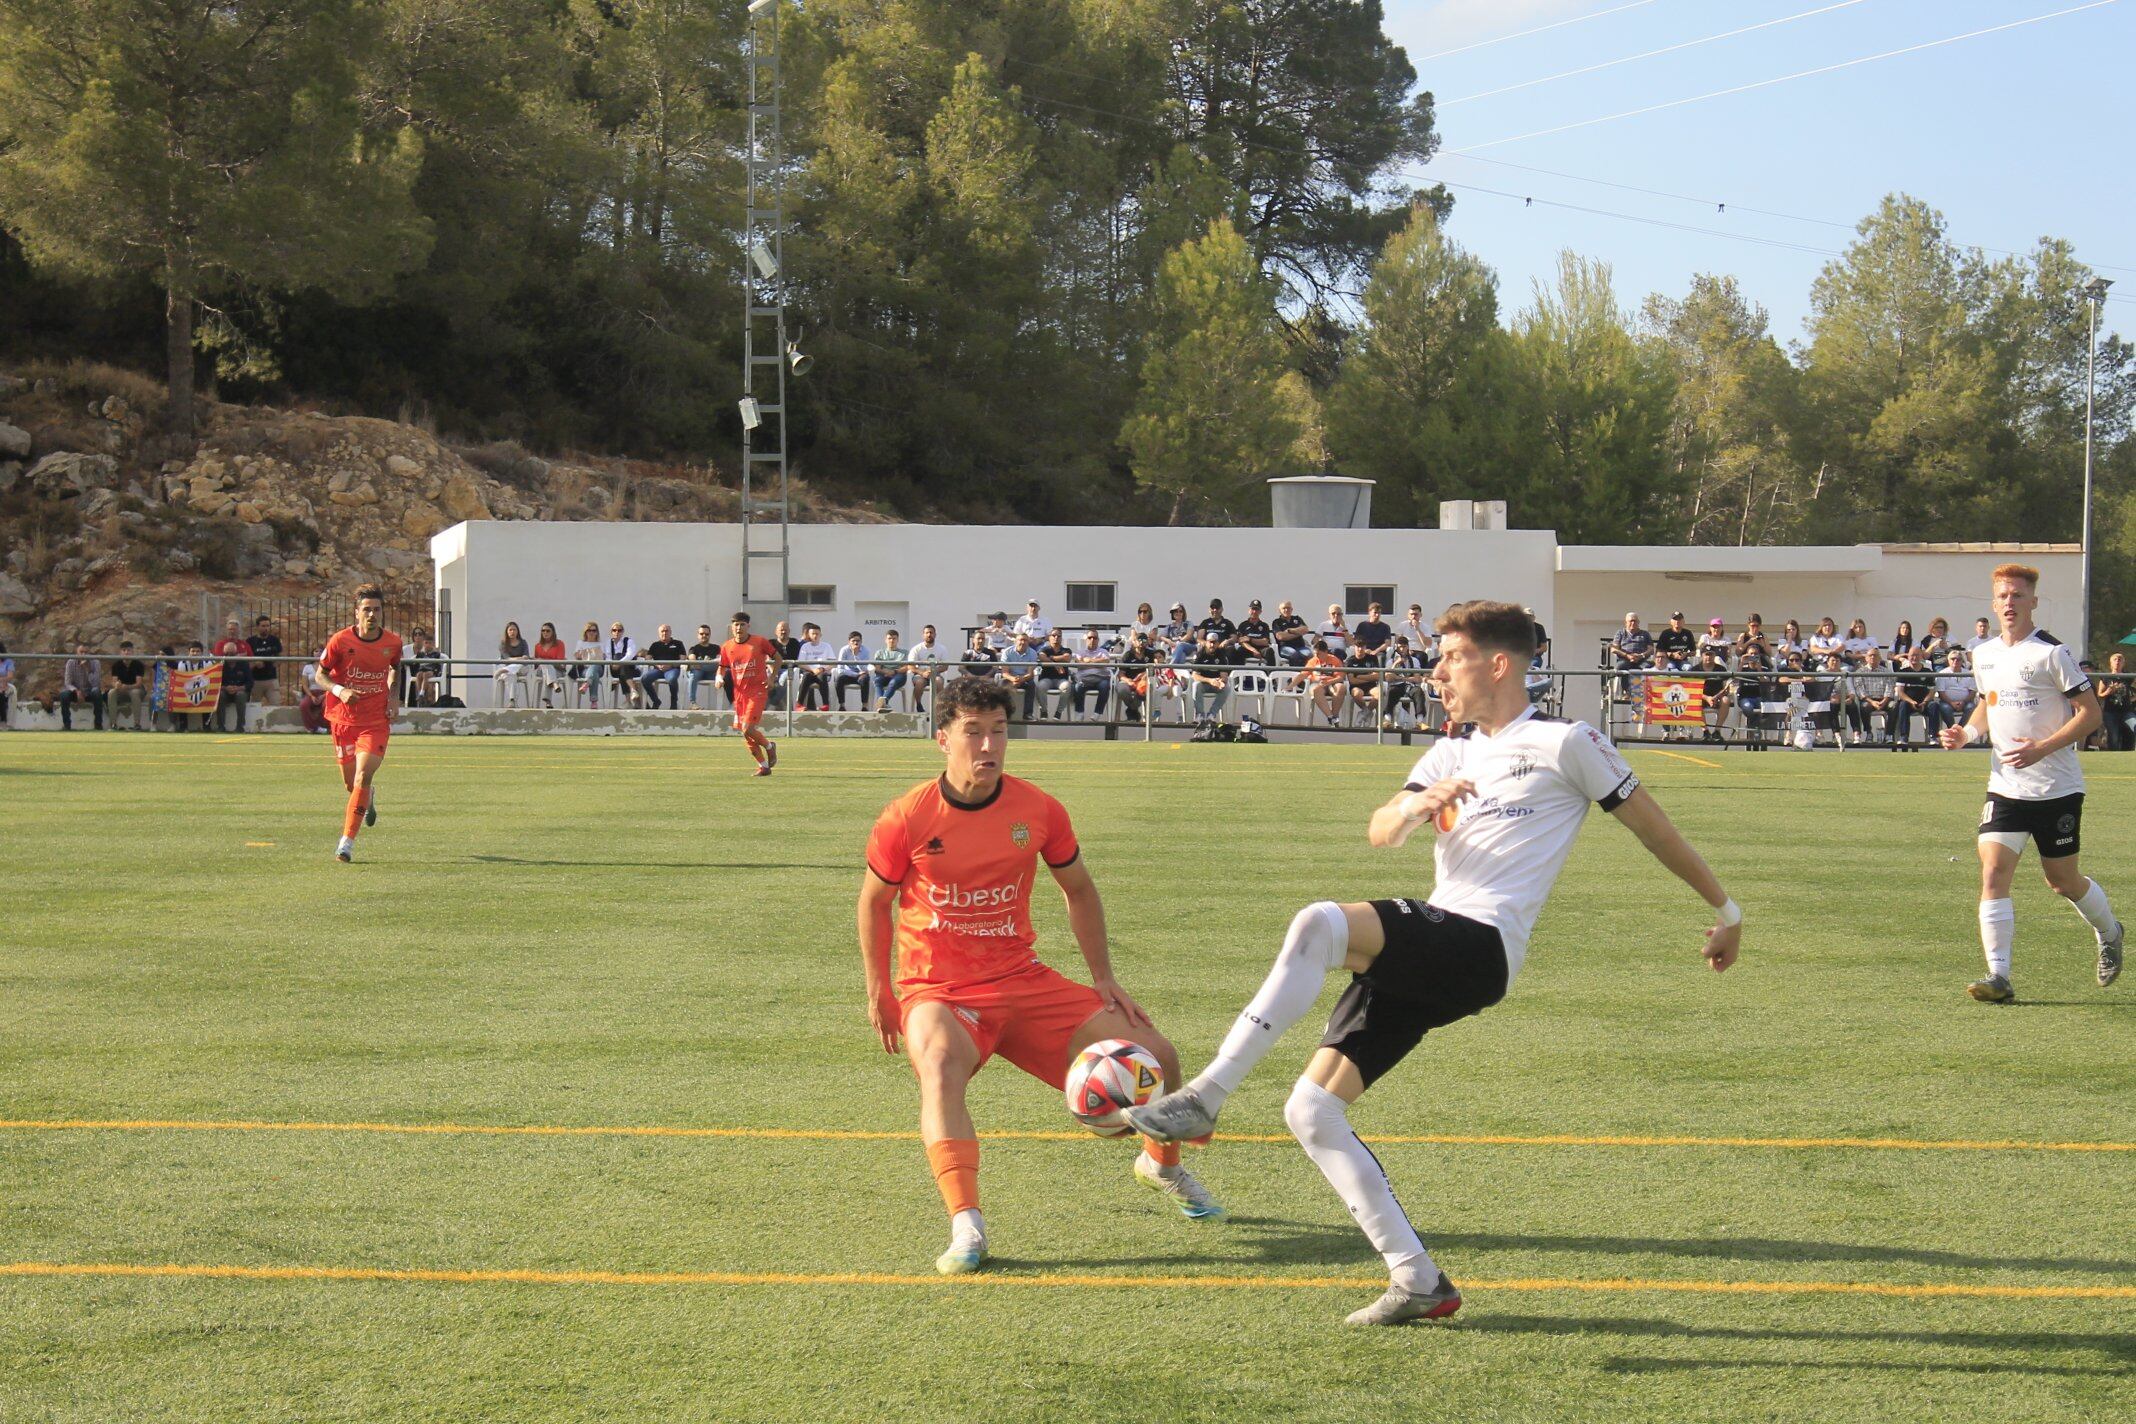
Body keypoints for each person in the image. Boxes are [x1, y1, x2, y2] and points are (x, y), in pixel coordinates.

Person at [1126, 599, 1740, 1324]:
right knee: (1312, 1111)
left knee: (1320, 922)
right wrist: (1419, 807)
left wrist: (1726, 911)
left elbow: (1654, 829)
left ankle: (1208, 1095)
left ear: (1499, 663)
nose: (1438, 670)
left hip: (1480, 947)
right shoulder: (1450, 750)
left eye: (1452, 657)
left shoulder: (1566, 742)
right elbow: (1381, 830)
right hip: (1435, 948)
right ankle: (1418, 1281)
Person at [857, 678, 1223, 1277]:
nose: (987, 745)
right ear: (942, 738)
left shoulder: (1038, 809)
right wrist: (879, 988)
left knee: (1158, 1055)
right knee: (941, 1067)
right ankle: (966, 1222)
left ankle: (1161, 1163)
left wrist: (1103, 978)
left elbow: (1077, 890)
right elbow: (874, 903)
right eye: (972, 732)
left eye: (998, 731)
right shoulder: (907, 817)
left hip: (1022, 979)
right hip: (940, 990)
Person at [1939, 563, 2122, 999]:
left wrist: (2041, 749)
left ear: (2033, 602)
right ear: (1994, 602)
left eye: (2017, 596)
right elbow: (1988, 704)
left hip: (2056, 788)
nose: (2009, 603)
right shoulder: (1983, 654)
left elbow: (2091, 715)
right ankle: (1999, 976)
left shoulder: (2052, 654)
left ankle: (2111, 932)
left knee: (2062, 882)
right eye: (2003, 596)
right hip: (2005, 787)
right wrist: (1968, 733)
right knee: (1993, 873)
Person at [315, 584, 403, 863]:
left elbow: (394, 669)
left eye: (377, 610)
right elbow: (321, 675)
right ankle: (369, 797)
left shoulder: (393, 643)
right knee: (351, 785)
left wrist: (393, 697)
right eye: (367, 609)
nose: (372, 615)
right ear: (357, 613)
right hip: (342, 720)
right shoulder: (340, 641)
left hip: (375, 720)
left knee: (363, 775)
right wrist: (341, 691)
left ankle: (346, 843)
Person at [717, 611, 782, 776]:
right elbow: (723, 666)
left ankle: (769, 747)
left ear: (748, 626)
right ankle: (763, 766)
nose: (739, 628)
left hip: (757, 691)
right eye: (736, 625)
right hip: (739, 695)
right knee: (745, 733)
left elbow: (778, 658)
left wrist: (772, 678)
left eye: (742, 625)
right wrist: (719, 677)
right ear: (732, 627)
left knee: (747, 728)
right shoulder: (726, 646)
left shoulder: (759, 642)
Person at [213, 619, 254, 731]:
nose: (230, 656)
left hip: (239, 690)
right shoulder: (220, 649)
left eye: (233, 654)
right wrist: (226, 688)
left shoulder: (243, 664)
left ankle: (240, 727)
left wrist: (238, 688)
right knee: (220, 695)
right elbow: (214, 681)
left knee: (240, 695)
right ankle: (220, 726)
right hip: (225, 690)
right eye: (227, 654)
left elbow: (250, 682)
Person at [639, 624, 686, 709]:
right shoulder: (655, 645)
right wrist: (657, 664)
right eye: (662, 631)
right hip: (658, 670)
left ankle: (674, 702)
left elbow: (682, 659)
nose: (664, 633)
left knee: (672, 679)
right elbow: (648, 658)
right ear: (659, 633)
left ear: (670, 632)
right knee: (644, 679)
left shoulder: (678, 643)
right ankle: (656, 701)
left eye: (666, 631)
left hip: (672, 669)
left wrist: (670, 665)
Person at [1070, 629, 1113, 718]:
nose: (1092, 640)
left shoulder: (1103, 651)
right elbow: (1079, 664)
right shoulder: (1080, 651)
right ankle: (1080, 712)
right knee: (1077, 687)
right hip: (1084, 679)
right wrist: (1097, 664)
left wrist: (1089, 661)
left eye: (1095, 638)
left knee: (1105, 686)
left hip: (1101, 678)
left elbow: (1106, 661)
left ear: (1098, 640)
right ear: (1086, 639)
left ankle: (1097, 713)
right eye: (1090, 637)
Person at [1302, 637, 1346, 724]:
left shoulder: (1334, 660)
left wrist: (1329, 682)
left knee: (1341, 688)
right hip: (1317, 683)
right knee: (1316, 690)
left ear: (1326, 652)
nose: (1316, 656)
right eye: (1315, 654)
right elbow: (1304, 674)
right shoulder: (1313, 660)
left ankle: (1335, 715)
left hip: (1332, 682)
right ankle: (1330, 717)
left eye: (1318, 654)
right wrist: (1291, 685)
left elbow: (1340, 677)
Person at [61, 644, 105, 731]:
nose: (83, 655)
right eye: (81, 652)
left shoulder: (95, 663)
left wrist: (87, 668)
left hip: (89, 692)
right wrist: (77, 691)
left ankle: (98, 725)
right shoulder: (71, 662)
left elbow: (96, 684)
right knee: (64, 695)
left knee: (96, 692)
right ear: (77, 653)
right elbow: (68, 683)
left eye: (86, 652)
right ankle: (67, 725)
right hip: (76, 692)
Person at [1000, 631, 1041, 719]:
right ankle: (1003, 712)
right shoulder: (1007, 652)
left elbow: (1030, 674)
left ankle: (1028, 714)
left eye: (1025, 640)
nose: (1023, 642)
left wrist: (1021, 679)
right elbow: (1004, 672)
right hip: (1010, 678)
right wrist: (1013, 679)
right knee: (1001, 685)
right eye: (1020, 640)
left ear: (1028, 642)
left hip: (1025, 678)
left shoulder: (1033, 653)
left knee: (1031, 685)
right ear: (1015, 641)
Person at [107, 642, 148, 729]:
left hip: (136, 689)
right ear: (120, 652)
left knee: (135, 693)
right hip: (122, 690)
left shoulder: (138, 664)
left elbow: (139, 683)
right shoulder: (116, 665)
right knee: (111, 692)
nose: (126, 652)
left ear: (132, 652)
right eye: (124, 650)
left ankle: (137, 724)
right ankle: (113, 724)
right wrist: (116, 685)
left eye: (128, 650)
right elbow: (113, 682)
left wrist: (127, 687)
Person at [1035, 628, 1074, 718]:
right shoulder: (1044, 649)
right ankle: (1044, 711)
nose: (1056, 637)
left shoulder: (1066, 650)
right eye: (1053, 635)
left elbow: (1067, 658)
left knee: (1067, 687)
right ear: (1049, 637)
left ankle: (1058, 712)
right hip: (1046, 679)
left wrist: (1051, 657)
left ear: (1061, 638)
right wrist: (1055, 664)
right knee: (1040, 686)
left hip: (1061, 680)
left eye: (1058, 636)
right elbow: (1042, 657)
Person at [2100, 651, 2135, 751]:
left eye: (2120, 660)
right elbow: (2100, 694)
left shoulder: (2129, 677)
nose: (2117, 662)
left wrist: (2131, 699)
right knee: (2113, 736)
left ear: (2123, 663)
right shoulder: (2106, 677)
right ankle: (2113, 757)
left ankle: (2128, 754)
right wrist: (2108, 692)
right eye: (2115, 660)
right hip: (2110, 711)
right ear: (2111, 663)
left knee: (2133, 728)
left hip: (2126, 711)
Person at [683, 623, 723, 710]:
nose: (704, 635)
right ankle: (692, 703)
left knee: (725, 673)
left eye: (707, 634)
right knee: (694, 674)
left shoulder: (716, 648)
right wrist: (709, 663)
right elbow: (693, 661)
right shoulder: (693, 648)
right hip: (699, 673)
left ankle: (734, 703)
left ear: (710, 635)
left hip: (711, 673)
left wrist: (701, 664)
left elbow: (721, 661)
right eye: (701, 634)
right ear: (698, 635)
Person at [907, 625, 944, 714]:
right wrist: (922, 673)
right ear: (923, 635)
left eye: (931, 632)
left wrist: (934, 672)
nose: (929, 635)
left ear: (935, 634)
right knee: (919, 682)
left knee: (938, 681)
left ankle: (939, 707)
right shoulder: (916, 649)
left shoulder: (942, 649)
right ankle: (919, 705)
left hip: (936, 674)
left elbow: (945, 666)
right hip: (920, 675)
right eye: (927, 633)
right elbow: (910, 666)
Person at [796, 624, 835, 709]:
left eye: (817, 634)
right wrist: (812, 670)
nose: (815, 636)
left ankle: (825, 705)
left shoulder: (826, 646)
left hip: (822, 671)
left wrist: (823, 668)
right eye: (813, 633)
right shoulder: (805, 646)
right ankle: (799, 704)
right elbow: (800, 663)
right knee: (806, 676)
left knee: (822, 676)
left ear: (821, 635)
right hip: (809, 672)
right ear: (809, 635)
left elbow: (833, 663)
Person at [532, 622, 569, 707]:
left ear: (553, 632)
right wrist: (540, 661)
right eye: (543, 631)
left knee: (547, 669)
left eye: (548, 631)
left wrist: (544, 661)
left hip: (558, 671)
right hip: (541, 671)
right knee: (546, 667)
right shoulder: (538, 646)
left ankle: (548, 700)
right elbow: (536, 664)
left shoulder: (559, 644)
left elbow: (559, 662)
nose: (545, 633)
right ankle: (554, 684)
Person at [249, 616, 284, 706]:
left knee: (277, 705)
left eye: (268, 626)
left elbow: (280, 656)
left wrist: (274, 664)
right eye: (263, 626)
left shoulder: (274, 640)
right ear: (257, 627)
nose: (266, 628)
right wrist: (255, 663)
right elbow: (246, 661)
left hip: (271, 679)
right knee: (254, 707)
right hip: (255, 680)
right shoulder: (250, 641)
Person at [767, 620, 801, 711]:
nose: (783, 632)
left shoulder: (794, 643)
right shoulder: (770, 643)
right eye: (781, 630)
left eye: (785, 630)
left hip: (789, 670)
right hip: (772, 669)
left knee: (784, 678)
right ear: (776, 632)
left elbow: (798, 659)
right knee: (765, 679)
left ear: (789, 631)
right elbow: (767, 659)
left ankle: (773, 704)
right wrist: (774, 672)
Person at [872, 629, 909, 712]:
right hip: (883, 675)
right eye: (889, 638)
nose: (891, 640)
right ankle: (883, 704)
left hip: (898, 675)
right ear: (885, 640)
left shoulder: (904, 653)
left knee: (893, 682)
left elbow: (907, 667)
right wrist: (886, 672)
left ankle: (882, 702)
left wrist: (894, 671)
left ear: (897, 640)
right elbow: (877, 668)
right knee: (877, 680)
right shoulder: (879, 653)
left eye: (894, 638)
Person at [571, 622, 605, 708]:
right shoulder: (581, 643)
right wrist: (583, 653)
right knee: (595, 675)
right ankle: (594, 701)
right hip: (585, 669)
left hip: (598, 667)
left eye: (594, 630)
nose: (591, 632)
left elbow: (604, 657)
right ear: (585, 632)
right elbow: (577, 656)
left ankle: (586, 683)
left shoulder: (601, 644)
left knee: (594, 665)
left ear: (597, 632)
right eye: (589, 630)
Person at [605, 623, 639, 707]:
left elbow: (630, 655)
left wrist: (619, 663)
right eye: (614, 630)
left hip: (630, 669)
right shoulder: (608, 643)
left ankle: (628, 700)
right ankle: (633, 690)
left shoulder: (628, 641)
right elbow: (607, 656)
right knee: (617, 657)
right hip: (613, 669)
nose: (617, 632)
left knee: (622, 665)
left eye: (619, 630)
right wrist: (613, 664)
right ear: (611, 632)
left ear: (622, 631)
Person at [1270, 600, 1310, 667]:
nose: (1286, 610)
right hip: (1285, 648)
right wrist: (1298, 633)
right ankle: (1295, 675)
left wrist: (1291, 631)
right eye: (1284, 608)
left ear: (1292, 609)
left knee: (1309, 654)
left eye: (1288, 608)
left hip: (1300, 647)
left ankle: (1305, 675)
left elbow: (1305, 629)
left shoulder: (1297, 619)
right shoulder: (1277, 622)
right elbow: (1281, 636)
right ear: (1279, 610)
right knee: (1294, 654)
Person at [1236, 600, 1272, 664]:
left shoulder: (1264, 625)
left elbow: (1265, 642)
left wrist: (1250, 639)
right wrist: (1253, 650)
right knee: (1239, 650)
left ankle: (1270, 673)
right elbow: (1241, 641)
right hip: (1248, 649)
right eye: (1253, 609)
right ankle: (1239, 672)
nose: (1254, 612)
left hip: (1261, 649)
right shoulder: (1243, 625)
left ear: (1260, 611)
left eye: (1257, 610)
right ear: (1249, 610)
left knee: (1269, 651)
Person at [0, 639, 14, 728]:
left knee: (1, 696)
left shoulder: (8, 661)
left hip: (5, 684)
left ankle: (3, 721)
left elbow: (10, 676)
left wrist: (1, 680)